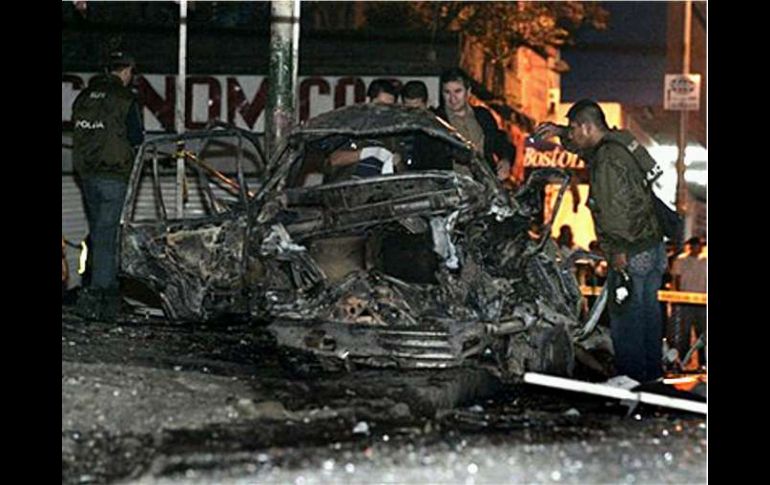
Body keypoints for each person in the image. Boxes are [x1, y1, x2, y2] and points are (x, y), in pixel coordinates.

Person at [534, 99, 666, 382]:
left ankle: (631, 380)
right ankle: (651, 377)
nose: (571, 135)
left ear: (586, 126)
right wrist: (559, 131)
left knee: (626, 319)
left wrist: (617, 250)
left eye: (573, 129)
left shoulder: (606, 160)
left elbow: (615, 209)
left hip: (629, 250)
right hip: (651, 246)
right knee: (648, 314)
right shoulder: (621, 142)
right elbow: (586, 151)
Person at [72, 50, 144, 321]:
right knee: (109, 234)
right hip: (114, 174)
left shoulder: (84, 97)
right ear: (127, 71)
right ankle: (102, 294)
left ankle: (95, 285)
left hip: (87, 174)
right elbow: (136, 136)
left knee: (98, 232)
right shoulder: (125, 98)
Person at [434, 68, 515, 182]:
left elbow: (500, 142)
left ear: (468, 92)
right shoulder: (436, 121)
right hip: (451, 190)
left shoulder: (483, 116)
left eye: (458, 91)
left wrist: (506, 160)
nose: (452, 98)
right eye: (447, 92)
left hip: (484, 187)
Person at [670, 236, 707, 365]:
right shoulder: (681, 260)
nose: (696, 247)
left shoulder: (706, 260)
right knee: (683, 334)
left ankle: (704, 362)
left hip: (703, 302)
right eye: (694, 245)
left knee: (703, 333)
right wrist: (677, 298)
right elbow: (677, 280)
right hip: (685, 302)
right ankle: (683, 362)